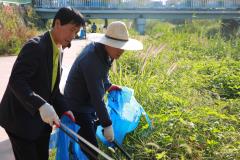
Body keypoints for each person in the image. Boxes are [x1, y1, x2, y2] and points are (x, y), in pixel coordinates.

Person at [0, 7, 85, 160]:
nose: (74, 36)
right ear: (57, 23)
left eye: (76, 32)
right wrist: (41, 105)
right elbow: (17, 81)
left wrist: (65, 110)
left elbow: (53, 90)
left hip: (40, 122)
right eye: (72, 30)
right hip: (19, 121)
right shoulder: (35, 46)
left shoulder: (59, 51)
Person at [64, 21, 143, 159]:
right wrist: (107, 124)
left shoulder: (104, 53)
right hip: (77, 107)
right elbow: (96, 97)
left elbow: (102, 76)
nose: (121, 51)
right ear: (107, 42)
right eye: (118, 47)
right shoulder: (91, 59)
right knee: (91, 151)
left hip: (87, 104)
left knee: (86, 147)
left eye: (123, 47)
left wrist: (108, 85)